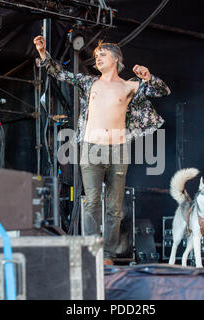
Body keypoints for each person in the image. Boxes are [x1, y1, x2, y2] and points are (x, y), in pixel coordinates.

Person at [33, 36, 171, 265]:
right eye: (96, 56)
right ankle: (90, 250)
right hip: (91, 147)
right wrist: (43, 53)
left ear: (115, 59)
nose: (97, 58)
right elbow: (60, 74)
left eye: (102, 55)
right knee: (92, 201)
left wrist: (148, 77)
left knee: (115, 207)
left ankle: (107, 254)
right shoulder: (90, 83)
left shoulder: (129, 86)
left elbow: (163, 91)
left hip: (118, 149)